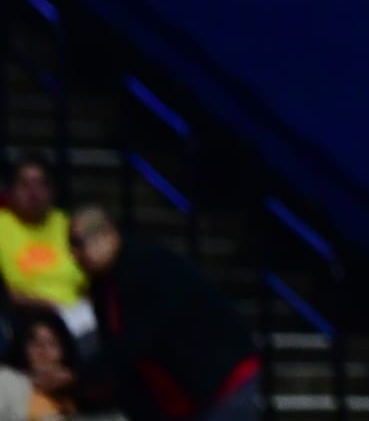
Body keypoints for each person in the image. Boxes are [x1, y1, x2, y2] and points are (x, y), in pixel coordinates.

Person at [65, 208, 258, 421]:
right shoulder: (104, 284)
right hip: (183, 395)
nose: (74, 254)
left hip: (221, 381)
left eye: (79, 243)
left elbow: (137, 340)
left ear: (108, 235)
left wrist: (78, 376)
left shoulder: (146, 265)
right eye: (71, 246)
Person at [0, 157, 86, 318]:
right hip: (19, 315)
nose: (33, 192)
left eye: (41, 184)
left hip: (74, 314)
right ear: (10, 191)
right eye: (24, 184)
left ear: (52, 191)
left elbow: (89, 279)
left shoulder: (70, 225)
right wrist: (47, 307)